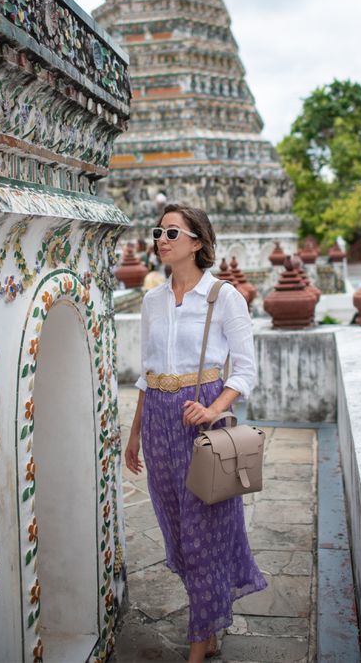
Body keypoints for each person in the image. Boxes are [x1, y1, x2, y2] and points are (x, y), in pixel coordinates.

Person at [125, 204, 267, 663]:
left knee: (205, 530)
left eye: (171, 232)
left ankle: (196, 643)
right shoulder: (152, 299)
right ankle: (209, 622)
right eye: (157, 232)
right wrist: (134, 435)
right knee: (177, 532)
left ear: (197, 242)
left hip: (200, 422)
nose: (161, 239)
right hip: (159, 424)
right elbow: (148, 374)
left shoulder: (223, 297)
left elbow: (244, 371)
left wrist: (212, 410)